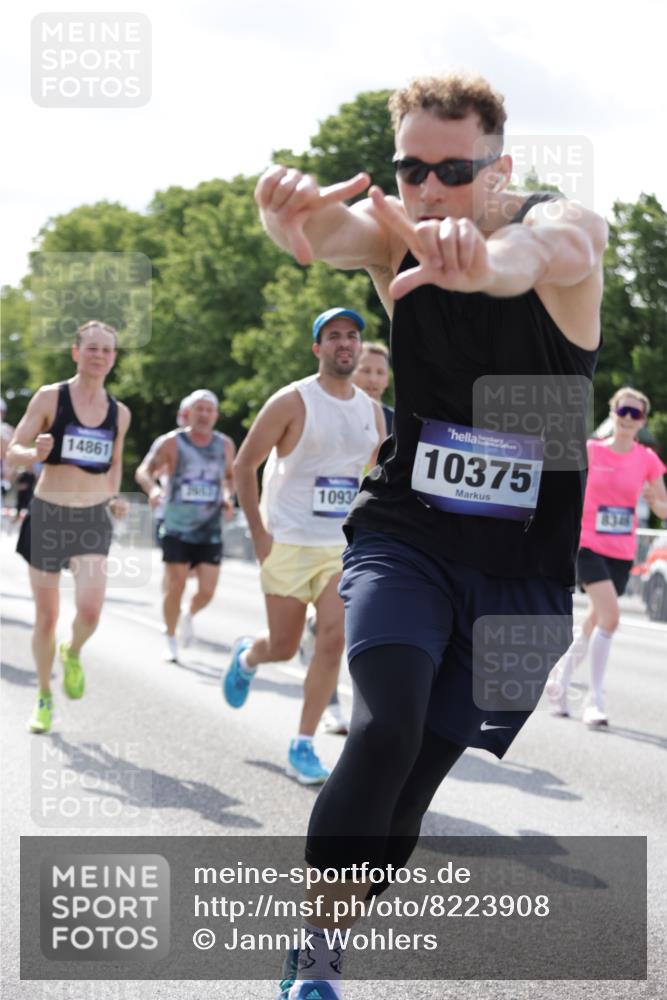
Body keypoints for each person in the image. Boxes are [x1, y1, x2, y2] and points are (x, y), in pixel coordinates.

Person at [255, 71, 608, 1000]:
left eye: (454, 171)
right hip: (407, 534)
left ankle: (339, 917)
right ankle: (315, 951)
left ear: (502, 164)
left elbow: (542, 251)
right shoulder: (396, 236)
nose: (429, 191)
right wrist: (282, 216)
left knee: (414, 785)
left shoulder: (561, 228)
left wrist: (482, 264)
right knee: (386, 725)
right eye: (412, 169)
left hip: (524, 571)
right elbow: (332, 235)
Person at [222, 308, 385, 784]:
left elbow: (373, 479)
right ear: (318, 348)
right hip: (288, 543)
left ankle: (304, 742)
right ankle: (249, 658)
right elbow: (244, 465)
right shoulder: (291, 402)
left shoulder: (370, 411)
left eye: (352, 336)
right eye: (334, 336)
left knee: (333, 639)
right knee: (283, 645)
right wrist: (260, 536)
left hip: (338, 547)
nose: (344, 344)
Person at [7, 320, 131, 734]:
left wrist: (113, 497)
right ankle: (44, 695)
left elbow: (115, 465)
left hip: (92, 516)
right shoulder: (50, 397)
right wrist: (33, 451)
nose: (99, 355)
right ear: (76, 352)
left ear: (113, 358)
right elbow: (13, 452)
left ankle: (73, 649)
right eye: (92, 348)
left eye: (107, 350)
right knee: (46, 617)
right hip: (48, 513)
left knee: (91, 611)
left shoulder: (120, 413)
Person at [546, 387, 667, 725]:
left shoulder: (647, 459)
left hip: (622, 551)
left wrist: (657, 504)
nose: (629, 419)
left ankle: (559, 681)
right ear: (613, 413)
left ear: (642, 421)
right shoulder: (590, 451)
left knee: (595, 621)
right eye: (623, 411)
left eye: (636, 414)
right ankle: (594, 701)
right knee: (611, 617)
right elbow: (562, 486)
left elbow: (662, 504)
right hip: (586, 544)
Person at [135, 389, 235, 662]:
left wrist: (227, 497)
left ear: (215, 415)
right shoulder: (172, 443)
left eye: (209, 409)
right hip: (176, 525)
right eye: (198, 409)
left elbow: (229, 478)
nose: (204, 414)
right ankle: (169, 636)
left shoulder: (225, 444)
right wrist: (154, 490)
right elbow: (143, 471)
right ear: (187, 413)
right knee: (176, 584)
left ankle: (188, 616)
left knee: (207, 590)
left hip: (209, 528)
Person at [352, 340, 394, 435]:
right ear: (352, 374)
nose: (373, 379)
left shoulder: (397, 423)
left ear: (387, 379)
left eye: (380, 372)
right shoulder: (338, 413)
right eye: (366, 371)